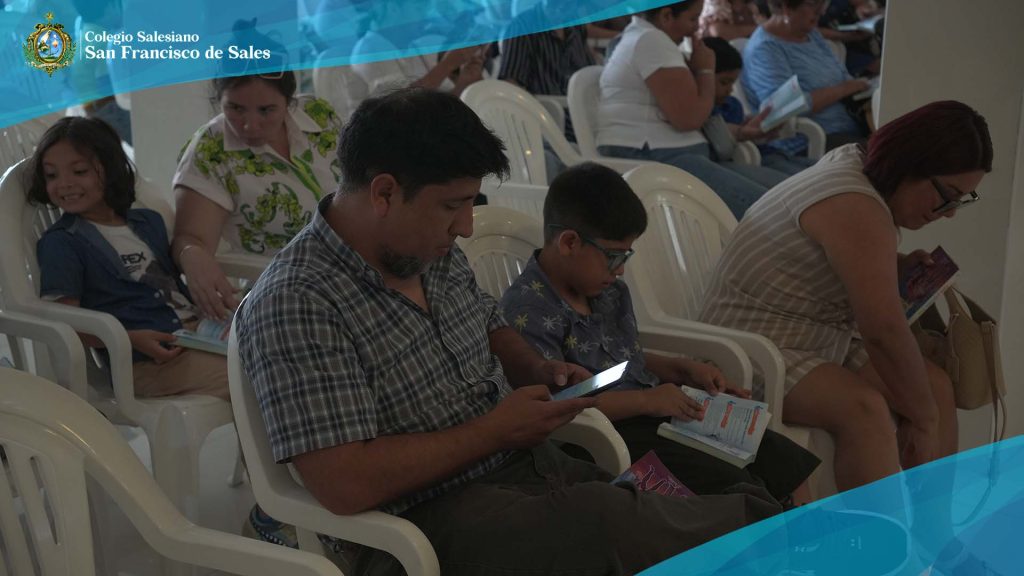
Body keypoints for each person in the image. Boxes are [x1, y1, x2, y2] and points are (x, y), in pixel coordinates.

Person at [235, 87, 782, 575]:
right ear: (383, 193)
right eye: (453, 206)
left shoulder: (426, 248)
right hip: (426, 522)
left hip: (529, 468)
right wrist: (495, 431)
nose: (466, 226)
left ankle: (777, 531)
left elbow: (490, 324)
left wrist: (537, 368)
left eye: (470, 204)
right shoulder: (298, 300)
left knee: (712, 491)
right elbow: (344, 482)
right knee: (623, 525)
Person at [700, 101, 992, 498]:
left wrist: (893, 265)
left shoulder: (858, 165)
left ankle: (935, 529)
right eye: (948, 196)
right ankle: (877, 537)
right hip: (752, 342)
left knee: (935, 389)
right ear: (910, 165)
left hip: (815, 332)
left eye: (961, 200)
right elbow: (883, 330)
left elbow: (830, 258)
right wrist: (922, 421)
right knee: (864, 410)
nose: (949, 212)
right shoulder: (855, 202)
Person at [501, 162, 819, 503]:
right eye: (613, 256)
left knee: (779, 455)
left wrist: (680, 369)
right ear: (569, 242)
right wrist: (647, 400)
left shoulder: (607, 292)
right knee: (733, 482)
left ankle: (813, 527)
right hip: (605, 438)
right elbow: (559, 408)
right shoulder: (530, 310)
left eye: (626, 256)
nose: (620, 271)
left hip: (653, 416)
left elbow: (619, 359)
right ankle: (774, 531)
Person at [30, 117, 227, 401]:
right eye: (51, 175)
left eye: (79, 171)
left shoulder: (148, 222)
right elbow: (66, 323)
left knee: (275, 351)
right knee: (249, 373)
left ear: (110, 168)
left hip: (202, 335)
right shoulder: (62, 243)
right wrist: (128, 339)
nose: (64, 184)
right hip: (144, 363)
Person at [172, 67, 343, 320]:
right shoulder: (210, 153)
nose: (250, 125)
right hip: (288, 288)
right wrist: (190, 254)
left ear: (288, 101)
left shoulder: (317, 115)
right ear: (218, 99)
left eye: (266, 110)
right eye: (235, 108)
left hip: (358, 261)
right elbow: (191, 239)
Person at [596, 0, 791, 220]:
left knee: (786, 192)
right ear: (666, 16)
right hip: (658, 158)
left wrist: (739, 131)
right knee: (776, 210)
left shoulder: (646, 38)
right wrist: (706, 70)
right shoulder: (651, 40)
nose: (697, 27)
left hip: (676, 156)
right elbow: (689, 120)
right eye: (693, 18)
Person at [741, 0, 871, 153]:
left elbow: (842, 75)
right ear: (786, 7)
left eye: (823, 4)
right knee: (887, 157)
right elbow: (780, 108)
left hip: (849, 127)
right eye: (813, 4)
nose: (821, 12)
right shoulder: (765, 48)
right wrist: (843, 89)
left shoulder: (811, 34)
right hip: (811, 141)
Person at [704, 36, 816, 175]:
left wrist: (758, 129)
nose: (730, 90)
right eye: (724, 82)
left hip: (771, 153)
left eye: (732, 83)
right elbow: (728, 150)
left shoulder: (732, 105)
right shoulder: (703, 113)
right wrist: (742, 133)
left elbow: (749, 139)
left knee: (822, 170)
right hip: (752, 163)